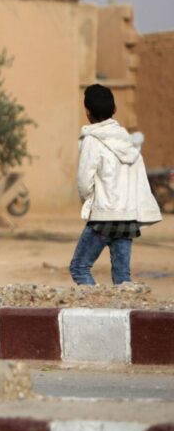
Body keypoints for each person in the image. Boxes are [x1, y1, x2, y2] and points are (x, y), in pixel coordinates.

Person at [70, 84, 162, 285]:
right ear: (114, 110)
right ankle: (121, 310)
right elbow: (138, 180)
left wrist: (90, 202)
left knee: (79, 268)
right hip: (128, 218)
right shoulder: (129, 142)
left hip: (103, 217)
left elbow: (85, 181)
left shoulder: (92, 140)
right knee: (122, 278)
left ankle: (96, 309)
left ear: (87, 112)